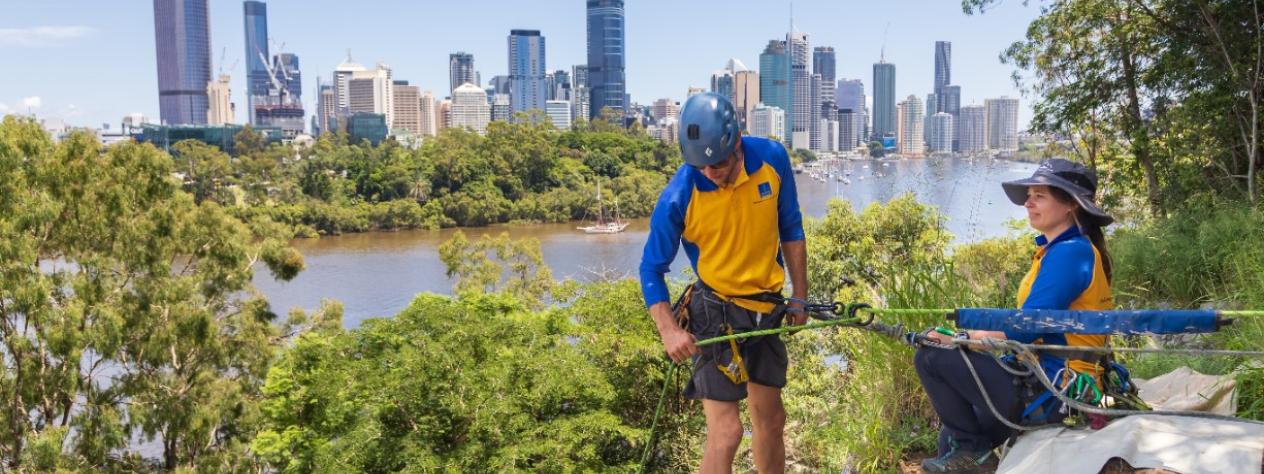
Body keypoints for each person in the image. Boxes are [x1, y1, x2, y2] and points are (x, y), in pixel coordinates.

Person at [639, 92, 808, 473]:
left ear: (737, 141)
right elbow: (651, 269)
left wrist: (800, 295)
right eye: (702, 166)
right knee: (727, 433)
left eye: (718, 163)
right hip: (714, 311)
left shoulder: (772, 159)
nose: (711, 172)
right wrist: (668, 331)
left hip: (766, 306)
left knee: (772, 419)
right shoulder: (679, 197)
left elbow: (791, 228)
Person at [914, 159, 1116, 473]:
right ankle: (973, 451)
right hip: (1041, 377)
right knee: (950, 438)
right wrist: (968, 336)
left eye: (1040, 195)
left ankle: (975, 452)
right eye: (1028, 194)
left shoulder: (1069, 253)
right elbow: (1028, 323)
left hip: (1056, 388)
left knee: (931, 357)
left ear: (1071, 207)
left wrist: (960, 339)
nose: (1028, 201)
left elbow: (1022, 329)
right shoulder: (1060, 250)